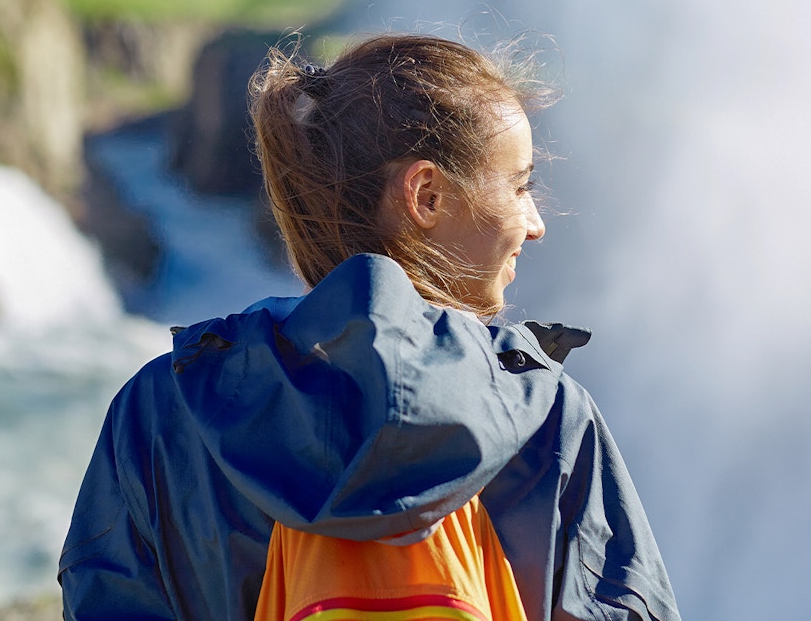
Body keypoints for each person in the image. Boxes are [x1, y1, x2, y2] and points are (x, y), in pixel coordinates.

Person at [58, 33, 681, 621]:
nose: (535, 222)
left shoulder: (163, 410)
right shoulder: (546, 418)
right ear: (427, 196)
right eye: (519, 186)